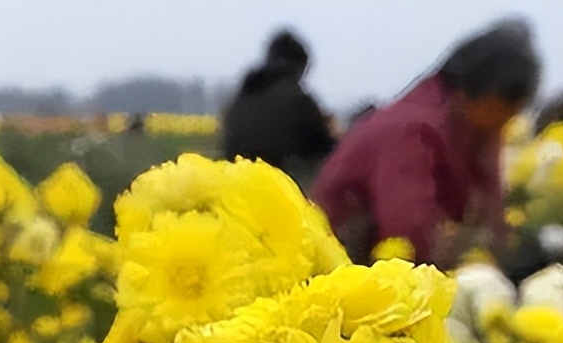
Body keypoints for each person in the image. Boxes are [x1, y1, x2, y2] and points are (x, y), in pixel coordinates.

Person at [310, 20, 540, 268]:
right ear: (479, 94)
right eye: (509, 109)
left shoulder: (471, 127)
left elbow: (490, 217)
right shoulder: (411, 129)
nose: (509, 121)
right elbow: (410, 236)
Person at [221, 29, 335, 187]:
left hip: (234, 189)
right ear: (298, 66)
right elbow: (327, 152)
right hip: (277, 193)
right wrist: (331, 131)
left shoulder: (244, 95)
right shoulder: (298, 101)